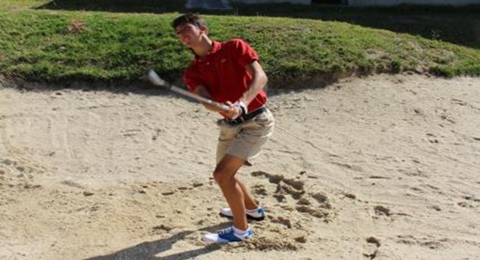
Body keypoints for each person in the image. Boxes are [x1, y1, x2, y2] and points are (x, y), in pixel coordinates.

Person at [171, 13, 275, 244]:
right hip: (229, 126)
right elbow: (205, 100)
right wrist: (221, 108)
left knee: (222, 174)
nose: (183, 35)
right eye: (178, 34)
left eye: (186, 29)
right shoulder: (192, 71)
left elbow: (260, 76)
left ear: (202, 29)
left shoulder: (234, 47)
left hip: (255, 122)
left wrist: (241, 103)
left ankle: (241, 231)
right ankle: (253, 210)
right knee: (226, 175)